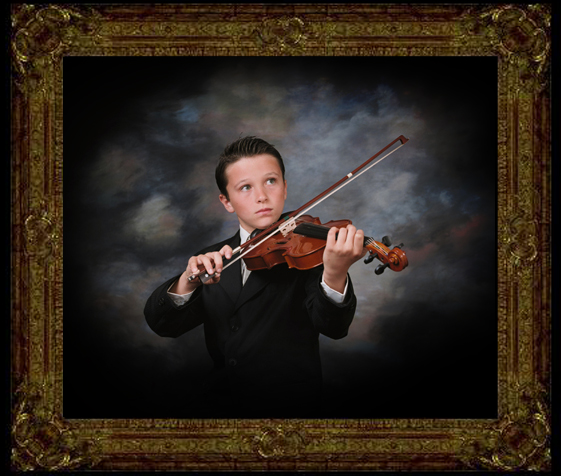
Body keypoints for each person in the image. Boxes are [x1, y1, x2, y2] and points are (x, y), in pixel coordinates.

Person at [144, 136, 367, 418]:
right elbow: (163, 325)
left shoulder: (311, 253)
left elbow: (333, 327)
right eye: (246, 187)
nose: (261, 196)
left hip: (289, 410)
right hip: (221, 408)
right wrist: (188, 280)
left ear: (285, 188)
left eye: (271, 181)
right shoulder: (212, 259)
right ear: (227, 201)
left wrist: (335, 272)